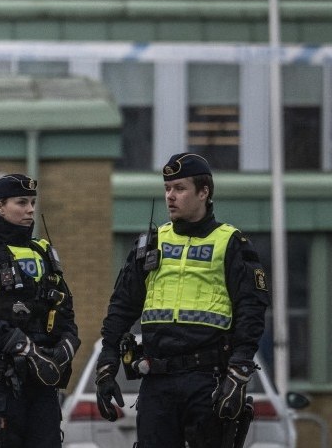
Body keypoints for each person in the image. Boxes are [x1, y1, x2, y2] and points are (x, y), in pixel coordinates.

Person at [94, 153, 270, 448]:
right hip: (157, 380)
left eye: (179, 188)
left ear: (204, 192)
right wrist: (107, 359)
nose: (170, 196)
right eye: (167, 189)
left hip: (208, 380)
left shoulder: (231, 243)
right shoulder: (150, 243)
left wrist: (239, 371)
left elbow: (251, 309)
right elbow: (122, 305)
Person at [0, 173, 79, 448]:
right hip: (3, 385)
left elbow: (66, 313)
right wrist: (24, 348)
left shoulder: (44, 251)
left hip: (44, 386)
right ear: (0, 206)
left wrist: (65, 348)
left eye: (32, 202)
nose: (30, 209)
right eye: (21, 202)